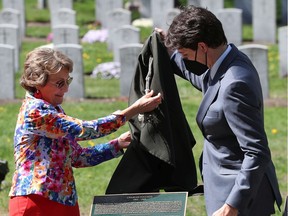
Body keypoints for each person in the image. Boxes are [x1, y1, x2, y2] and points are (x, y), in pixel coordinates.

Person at [156, 5, 282, 216]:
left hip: (241, 200)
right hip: (223, 188)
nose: (185, 60)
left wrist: (232, 206)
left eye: (186, 55)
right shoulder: (227, 61)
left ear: (203, 47)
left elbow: (256, 152)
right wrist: (169, 52)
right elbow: (204, 80)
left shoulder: (235, 84)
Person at [8, 47, 162, 216]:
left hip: (64, 200)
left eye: (68, 81)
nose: (66, 89)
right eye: (59, 83)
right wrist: (133, 110)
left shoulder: (53, 110)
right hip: (36, 201)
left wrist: (117, 145)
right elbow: (86, 130)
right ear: (37, 81)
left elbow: (78, 157)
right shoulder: (35, 112)